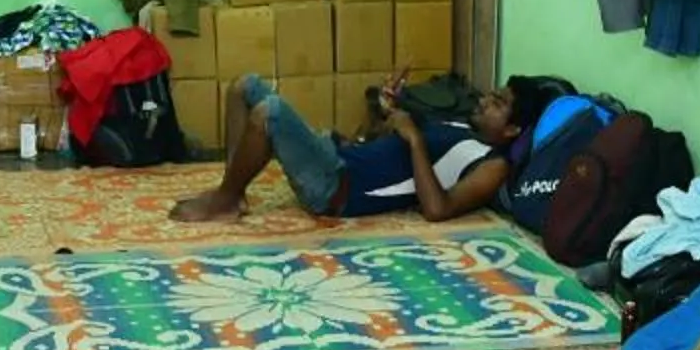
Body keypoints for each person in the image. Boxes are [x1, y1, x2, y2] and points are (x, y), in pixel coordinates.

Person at [172, 71, 521, 224]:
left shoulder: (493, 164)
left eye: (498, 104)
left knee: (269, 113)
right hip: (336, 155)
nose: (485, 100)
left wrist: (414, 138)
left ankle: (225, 200)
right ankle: (233, 191)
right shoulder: (459, 124)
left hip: (337, 188)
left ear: (512, 129)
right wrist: (385, 109)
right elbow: (374, 141)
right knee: (242, 86)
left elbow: (437, 209)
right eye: (490, 95)